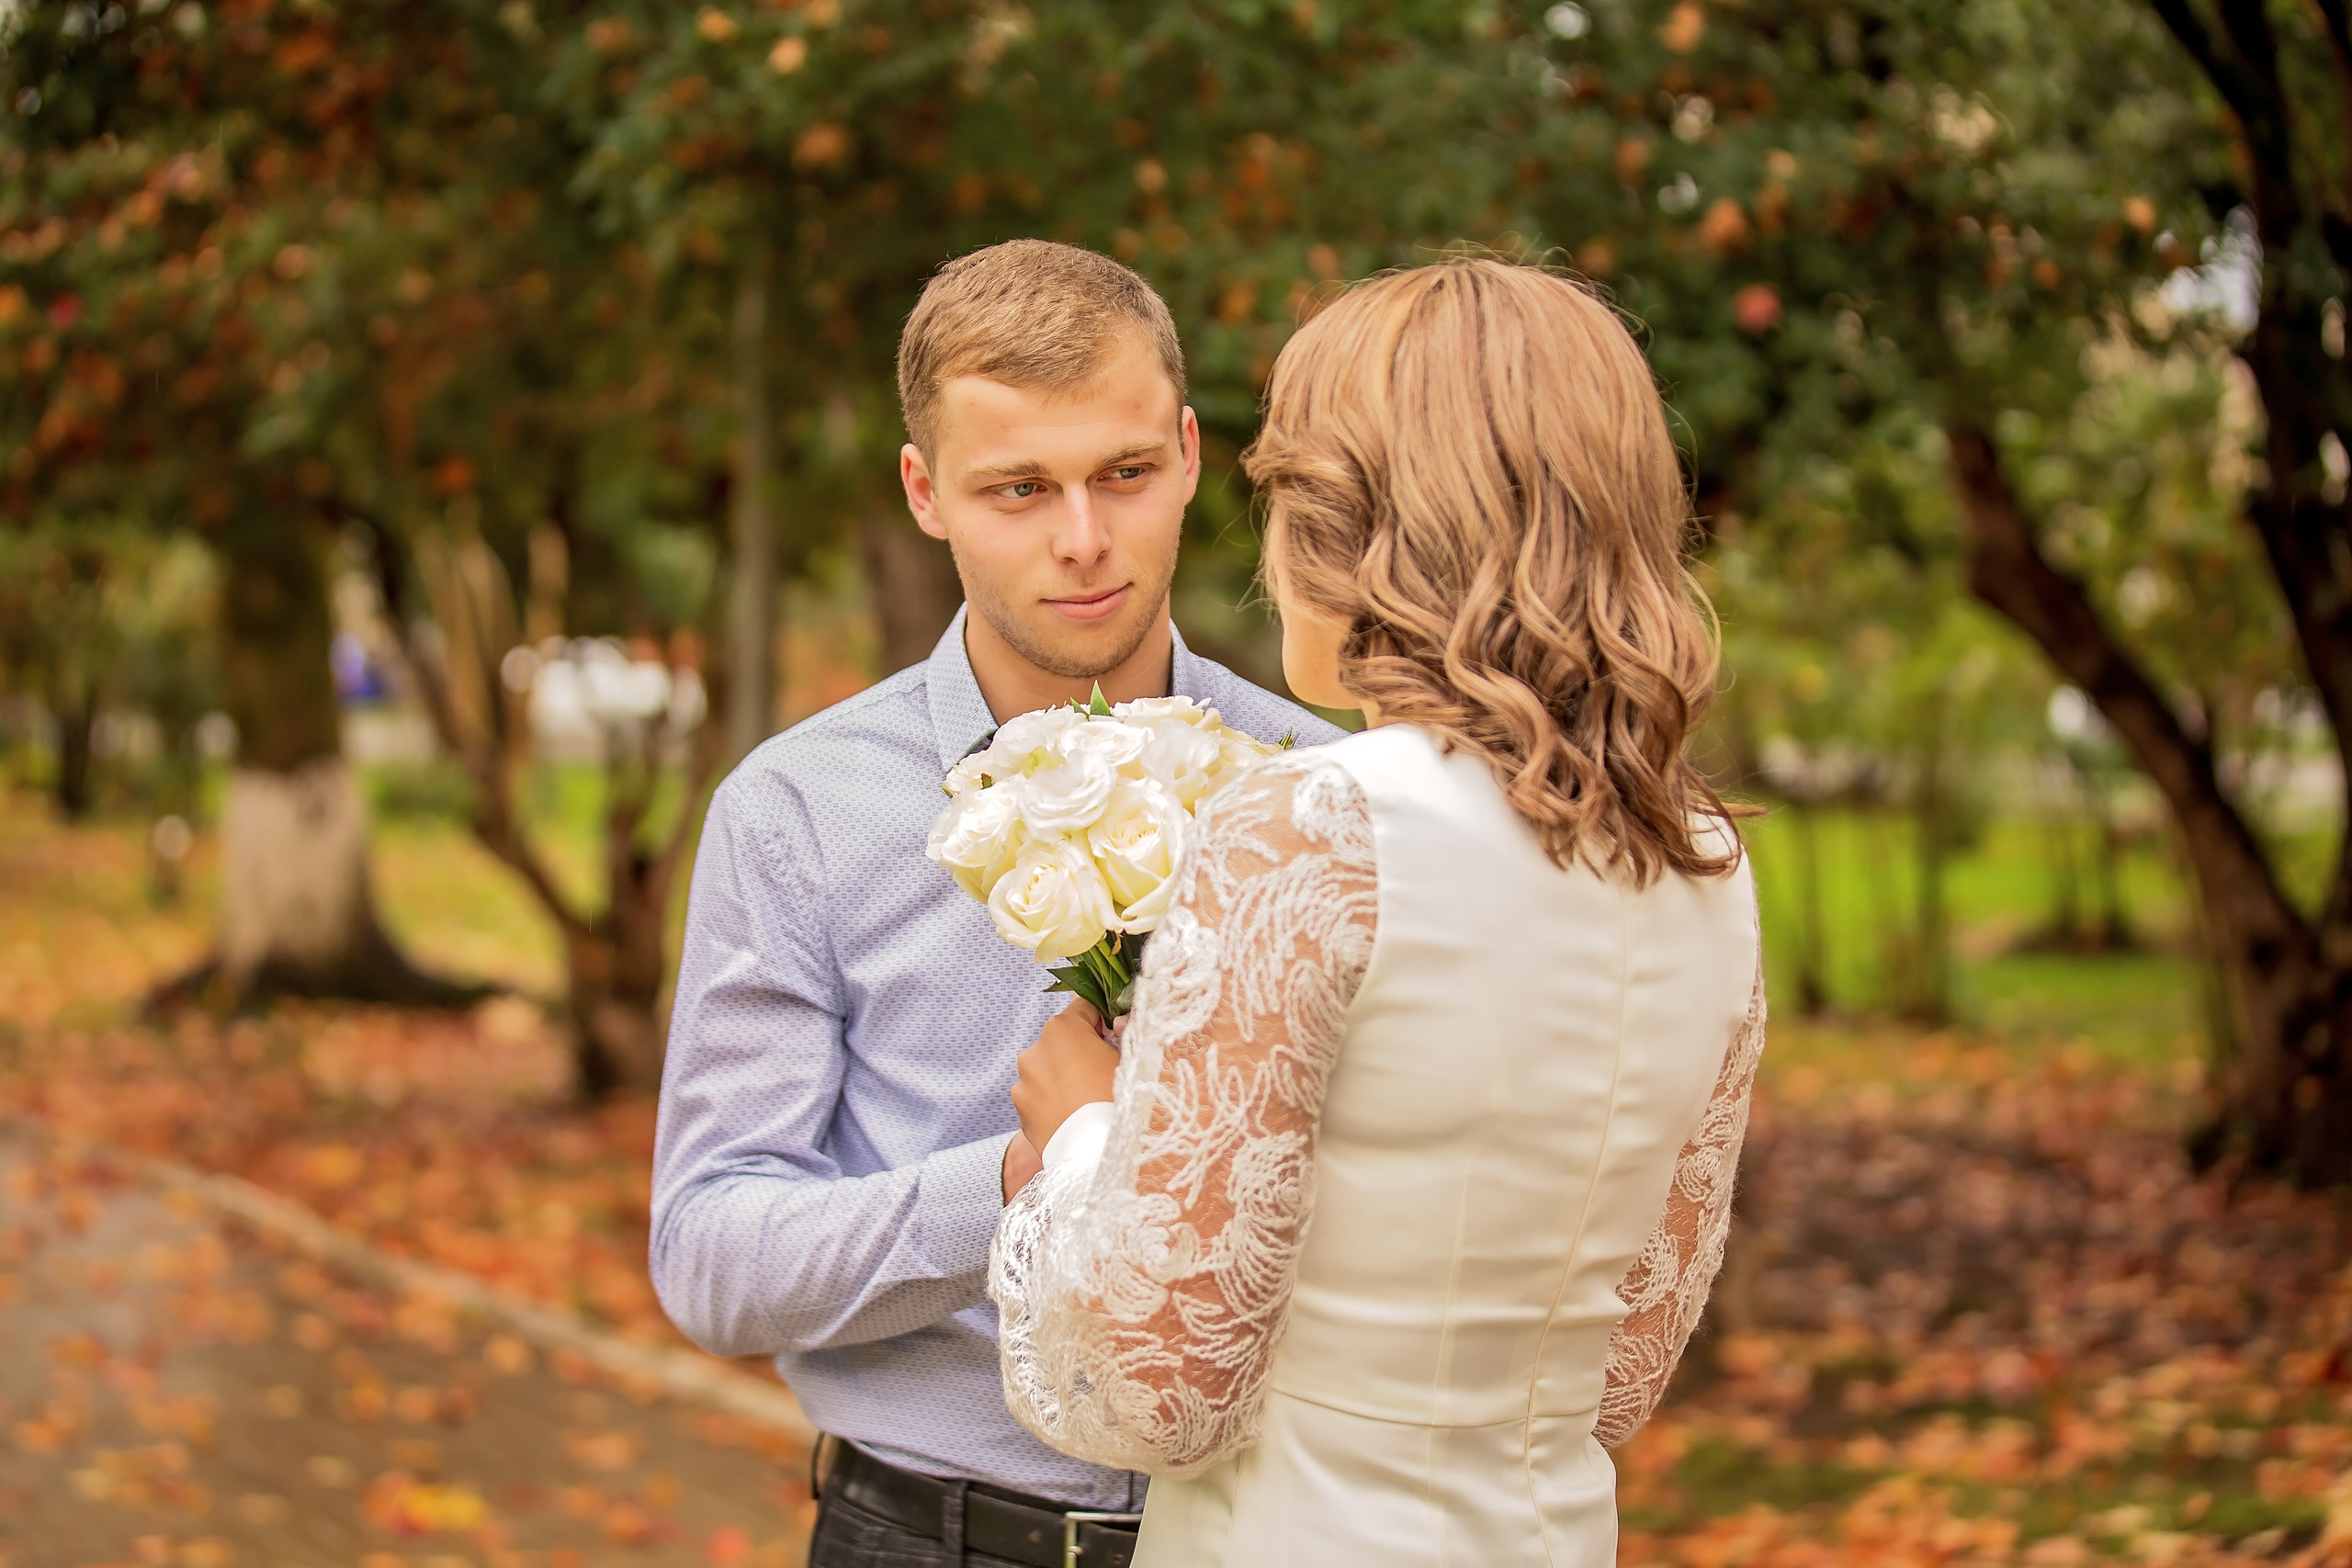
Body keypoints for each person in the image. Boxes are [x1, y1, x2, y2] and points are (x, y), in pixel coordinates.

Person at [989, 257, 1767, 1566]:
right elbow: (1623, 1369)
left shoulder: (1316, 826)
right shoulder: (1700, 860)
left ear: (1350, 530)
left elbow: (1158, 1393)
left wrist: (1081, 1139)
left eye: (1284, 498)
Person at [649, 238, 1343, 1568]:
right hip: (934, 1539)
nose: (1083, 540)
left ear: (1189, 454)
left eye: (1123, 474)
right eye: (1018, 489)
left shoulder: (1319, 785)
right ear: (926, 492)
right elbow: (712, 1255)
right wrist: (1026, 1181)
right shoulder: (797, 811)